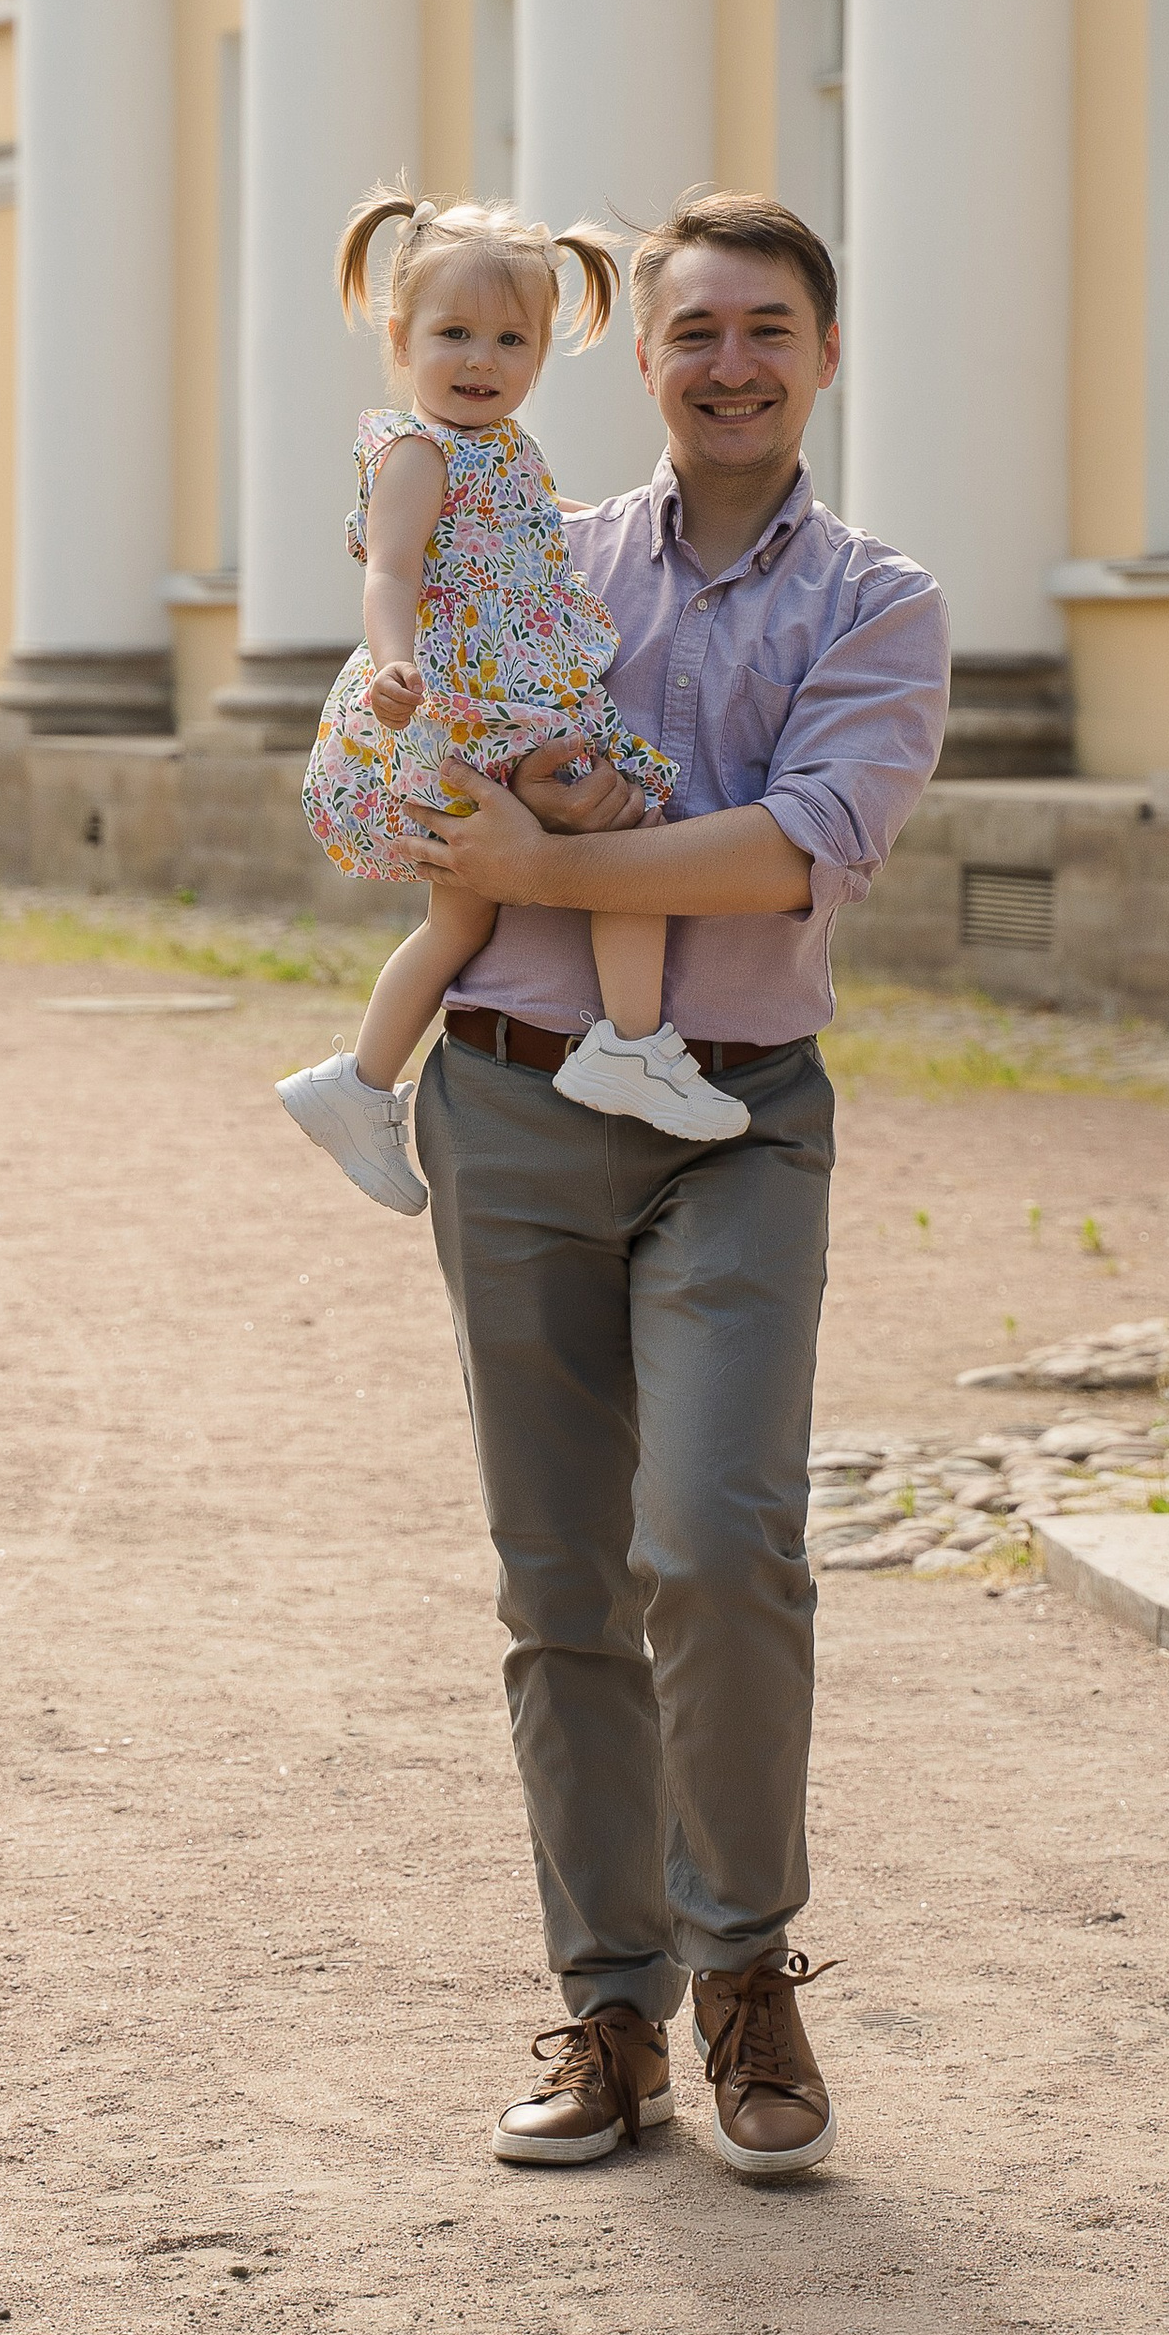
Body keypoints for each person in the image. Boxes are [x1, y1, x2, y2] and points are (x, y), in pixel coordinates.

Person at [399, 188, 948, 2182]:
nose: (728, 361)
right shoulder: (526, 553)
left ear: (819, 356)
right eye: (691, 329)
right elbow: (406, 776)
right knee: (557, 1579)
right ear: (634, 360)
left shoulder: (878, 603)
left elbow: (793, 853)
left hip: (738, 1117)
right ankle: (609, 2010)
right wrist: (426, 793)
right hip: (513, 1099)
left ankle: (744, 1966)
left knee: (712, 1544)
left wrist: (532, 865)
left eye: (764, 329)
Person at [278, 191, 754, 1220]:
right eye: (454, 334)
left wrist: (612, 518)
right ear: (401, 339)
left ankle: (357, 1083)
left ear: (541, 353)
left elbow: (529, 528)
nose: (480, 359)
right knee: (626, 835)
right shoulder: (418, 453)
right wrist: (395, 666)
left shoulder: (502, 448)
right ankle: (628, 1046)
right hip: (461, 710)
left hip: (504, 707)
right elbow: (391, 573)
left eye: (510, 339)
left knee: (466, 913)